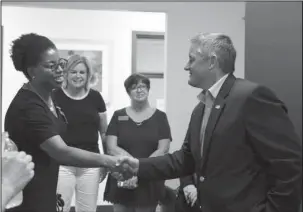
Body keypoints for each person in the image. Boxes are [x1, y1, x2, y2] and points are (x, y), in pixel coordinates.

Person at [118, 33, 302, 212]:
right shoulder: (201, 108)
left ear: (212, 62)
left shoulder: (251, 97)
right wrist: (138, 166)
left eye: (191, 59)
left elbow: (288, 165)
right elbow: (186, 159)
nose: (186, 66)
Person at [4, 33, 126, 212]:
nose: (60, 70)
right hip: (30, 199)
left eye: (60, 63)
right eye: (51, 66)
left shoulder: (49, 98)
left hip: (47, 190)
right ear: (32, 71)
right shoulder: (28, 107)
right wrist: (110, 161)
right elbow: (61, 151)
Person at [104, 73, 172, 212]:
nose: (139, 90)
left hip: (149, 178)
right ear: (128, 92)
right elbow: (111, 147)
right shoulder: (118, 115)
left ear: (148, 90)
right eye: (134, 87)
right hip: (122, 175)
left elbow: (163, 149)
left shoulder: (160, 117)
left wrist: (140, 169)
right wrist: (131, 169)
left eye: (143, 86)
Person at [54, 54, 108, 212]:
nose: (78, 76)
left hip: (90, 164)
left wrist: (104, 162)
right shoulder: (55, 95)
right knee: (59, 209)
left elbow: (103, 132)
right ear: (66, 74)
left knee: (87, 209)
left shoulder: (96, 97)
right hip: (62, 164)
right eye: (73, 72)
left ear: (88, 75)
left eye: (82, 72)